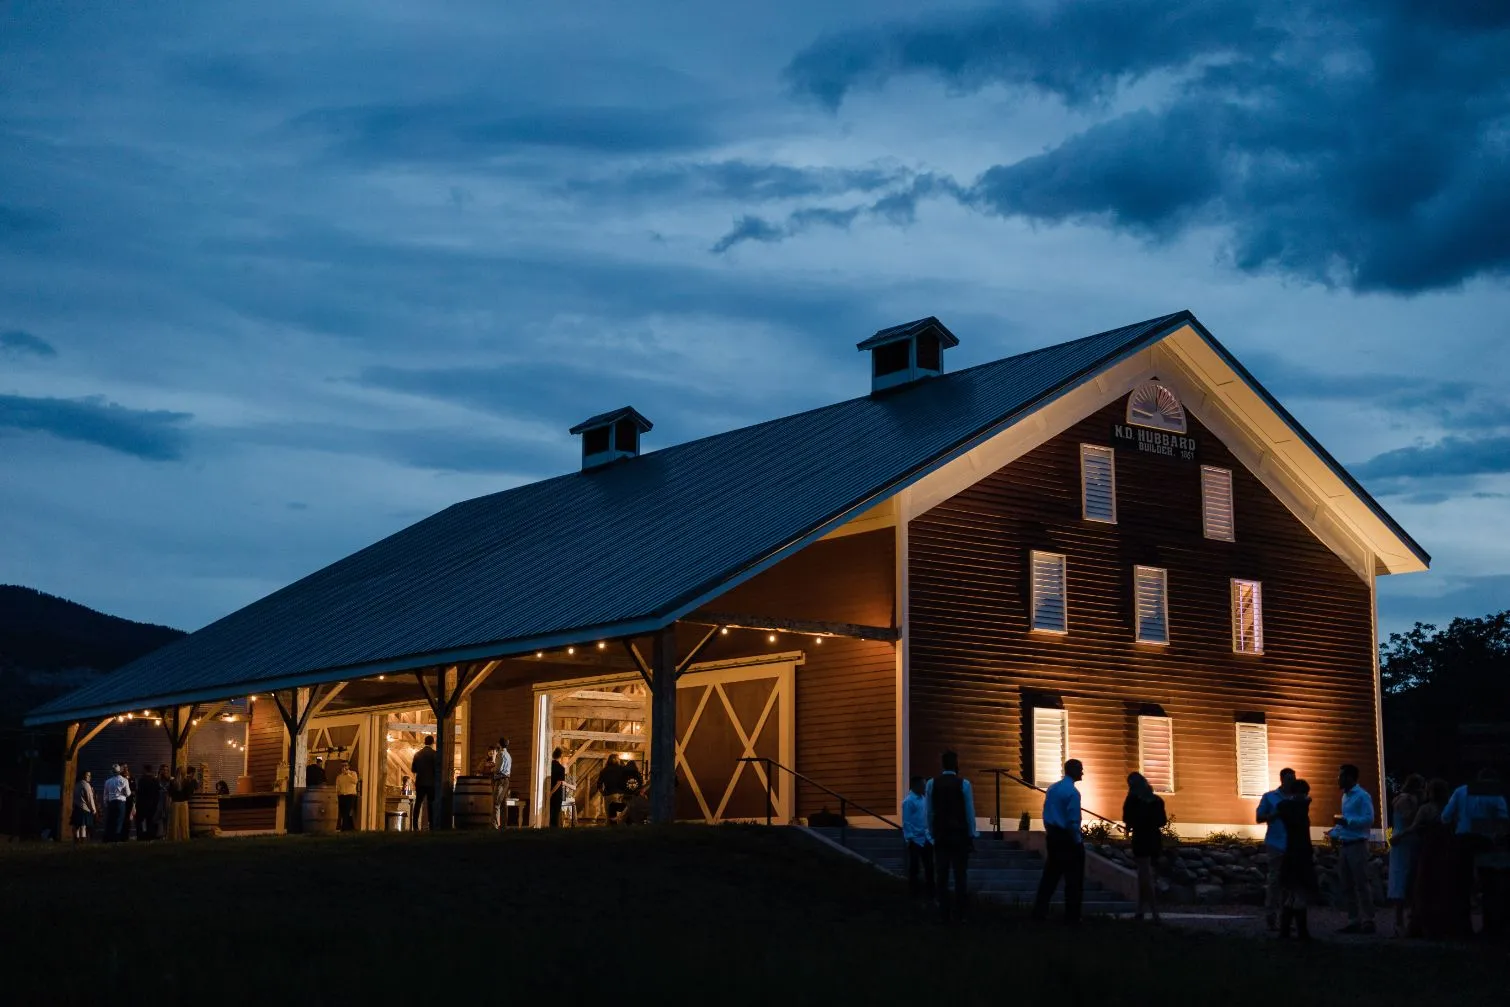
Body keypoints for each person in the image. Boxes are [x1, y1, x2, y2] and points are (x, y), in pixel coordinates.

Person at [1441, 769, 1509, 937]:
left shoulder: (1460, 791)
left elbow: (1445, 816)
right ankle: (1491, 927)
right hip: (1485, 841)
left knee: (1462, 885)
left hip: (1462, 841)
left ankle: (1462, 926)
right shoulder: (1494, 794)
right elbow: (1503, 820)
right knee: (1489, 886)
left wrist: (1462, 823)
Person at [1405, 778, 1460, 939]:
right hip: (1445, 851)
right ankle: (1441, 926)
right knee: (1442, 886)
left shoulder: (1426, 809)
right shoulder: (1450, 809)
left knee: (1424, 886)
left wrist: (1400, 835)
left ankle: (1422, 926)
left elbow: (1415, 827)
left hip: (1429, 851)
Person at [926, 751, 976, 924]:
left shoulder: (932, 784)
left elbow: (930, 811)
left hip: (941, 834)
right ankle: (960, 912)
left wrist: (931, 832)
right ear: (956, 764)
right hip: (959, 834)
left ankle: (943, 912)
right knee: (960, 875)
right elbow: (969, 812)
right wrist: (971, 833)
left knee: (942, 874)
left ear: (942, 765)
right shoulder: (964, 784)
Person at [1034, 759, 1085, 924]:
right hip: (1067, 839)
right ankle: (1072, 916)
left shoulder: (1052, 789)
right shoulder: (1072, 793)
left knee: (1050, 876)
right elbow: (1072, 821)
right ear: (1074, 770)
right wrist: (1077, 841)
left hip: (1053, 836)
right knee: (1073, 879)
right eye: (1081, 769)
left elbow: (1046, 811)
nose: (1083, 772)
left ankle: (1039, 911)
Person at [1328, 763, 1377, 934]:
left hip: (1358, 844)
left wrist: (1347, 822)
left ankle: (1368, 920)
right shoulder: (1345, 797)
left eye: (1340, 776)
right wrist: (1334, 832)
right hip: (1346, 844)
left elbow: (1369, 819)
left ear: (1349, 777)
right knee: (1347, 884)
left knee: (1361, 883)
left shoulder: (1362, 796)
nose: (1338, 779)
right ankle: (1354, 919)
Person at [1276, 778, 1319, 940]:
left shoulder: (1285, 807)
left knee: (1292, 895)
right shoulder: (1296, 809)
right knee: (1299, 894)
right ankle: (1302, 932)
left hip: (1292, 852)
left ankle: (1285, 931)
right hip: (1299, 854)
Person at [1122, 771, 1167, 923]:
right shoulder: (1157, 800)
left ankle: (1154, 912)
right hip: (1154, 838)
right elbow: (1162, 821)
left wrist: (1132, 826)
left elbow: (1127, 818)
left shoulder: (1132, 800)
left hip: (1140, 837)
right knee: (1145, 874)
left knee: (1144, 874)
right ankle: (1140, 910)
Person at [1256, 767, 1298, 930]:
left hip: (1292, 844)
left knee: (1291, 883)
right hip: (1275, 843)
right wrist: (1277, 813)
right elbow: (1259, 817)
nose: (1292, 782)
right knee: (1274, 881)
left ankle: (1286, 919)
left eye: (1293, 779)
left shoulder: (1297, 799)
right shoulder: (1270, 797)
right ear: (1282, 780)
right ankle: (1271, 916)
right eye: (1289, 779)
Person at [1388, 774, 1426, 935]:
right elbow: (1408, 818)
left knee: (1401, 876)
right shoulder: (1408, 800)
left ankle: (1402, 920)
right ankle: (1401, 921)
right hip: (1405, 840)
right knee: (1404, 876)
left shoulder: (1398, 798)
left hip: (1401, 838)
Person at [901, 775, 935, 902]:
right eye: (923, 785)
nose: (924, 787)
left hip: (926, 838)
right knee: (914, 868)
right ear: (916, 785)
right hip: (915, 840)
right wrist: (909, 838)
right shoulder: (909, 801)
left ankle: (931, 895)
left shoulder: (924, 799)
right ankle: (914, 895)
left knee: (930, 868)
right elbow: (907, 821)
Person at [411, 736, 437, 831]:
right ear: (432, 743)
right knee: (431, 804)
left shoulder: (418, 754)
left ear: (424, 742)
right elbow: (437, 770)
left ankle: (415, 826)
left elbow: (413, 769)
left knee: (418, 803)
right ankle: (431, 825)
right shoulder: (435, 754)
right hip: (431, 783)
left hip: (420, 782)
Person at [103, 764, 131, 843]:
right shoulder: (124, 780)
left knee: (111, 820)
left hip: (111, 802)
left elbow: (105, 794)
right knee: (119, 820)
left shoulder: (107, 781)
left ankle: (109, 838)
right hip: (120, 802)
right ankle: (116, 838)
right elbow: (128, 793)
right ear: (119, 772)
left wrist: (105, 803)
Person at [598, 753, 628, 827]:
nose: (619, 760)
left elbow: (599, 784)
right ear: (616, 760)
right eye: (618, 758)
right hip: (621, 795)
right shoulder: (622, 769)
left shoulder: (604, 770)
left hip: (609, 795)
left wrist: (603, 793)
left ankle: (610, 833)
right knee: (620, 817)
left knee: (609, 817)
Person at [134, 763, 159, 842]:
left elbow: (140, 792)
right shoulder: (155, 780)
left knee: (140, 821)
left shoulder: (142, 780)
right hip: (152, 804)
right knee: (150, 821)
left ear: (145, 770)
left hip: (142, 804)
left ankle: (140, 836)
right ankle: (150, 836)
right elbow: (157, 793)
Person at [71, 770, 97, 844]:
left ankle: (76, 840)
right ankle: (82, 842)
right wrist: (94, 809)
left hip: (77, 807)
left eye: (90, 775)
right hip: (84, 808)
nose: (89, 777)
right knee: (83, 826)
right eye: (88, 775)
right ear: (83, 776)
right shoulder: (86, 785)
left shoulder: (77, 784)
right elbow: (89, 798)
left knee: (76, 825)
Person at [492, 737, 513, 830]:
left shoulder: (500, 754)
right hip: (506, 780)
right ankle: (504, 825)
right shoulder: (508, 755)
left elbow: (498, 769)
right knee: (503, 804)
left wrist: (492, 769)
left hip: (500, 780)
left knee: (496, 803)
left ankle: (495, 826)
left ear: (499, 744)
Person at [336, 763, 360, 831]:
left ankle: (343, 829)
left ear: (348, 766)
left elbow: (355, 781)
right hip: (342, 796)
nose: (344, 767)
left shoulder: (353, 773)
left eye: (346, 765)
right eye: (343, 765)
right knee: (343, 813)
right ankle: (350, 828)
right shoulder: (339, 776)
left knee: (347, 812)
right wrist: (338, 793)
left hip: (350, 795)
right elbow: (338, 786)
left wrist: (348, 774)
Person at [548, 747, 567, 829]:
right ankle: (554, 828)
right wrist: (551, 792)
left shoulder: (549, 766)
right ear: (561, 756)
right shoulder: (561, 768)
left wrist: (549, 792)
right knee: (555, 813)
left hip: (547, 790)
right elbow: (559, 782)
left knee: (549, 812)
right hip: (556, 793)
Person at [153, 764, 173, 840]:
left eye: (166, 770)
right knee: (158, 816)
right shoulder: (157, 779)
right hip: (159, 799)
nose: (165, 771)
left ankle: (166, 834)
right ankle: (159, 834)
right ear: (160, 770)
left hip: (167, 799)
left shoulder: (170, 780)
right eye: (163, 770)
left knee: (167, 816)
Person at [120, 765, 136, 841]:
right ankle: (120, 835)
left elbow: (134, 790)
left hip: (129, 802)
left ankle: (125, 836)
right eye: (124, 768)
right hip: (121, 801)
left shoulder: (131, 778)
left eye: (127, 767)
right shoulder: (118, 779)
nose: (126, 769)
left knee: (128, 819)